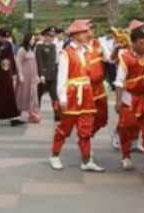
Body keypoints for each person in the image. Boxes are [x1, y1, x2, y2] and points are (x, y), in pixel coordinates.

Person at [50, 19, 104, 173]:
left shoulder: (86, 51)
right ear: (75, 35)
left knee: (86, 128)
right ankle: (54, 155)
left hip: (86, 93)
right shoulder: (66, 53)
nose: (87, 35)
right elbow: (62, 78)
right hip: (73, 93)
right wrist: (62, 98)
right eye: (84, 32)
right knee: (64, 128)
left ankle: (87, 160)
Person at [115, 28, 144, 172]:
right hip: (129, 98)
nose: (143, 46)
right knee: (126, 129)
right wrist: (118, 101)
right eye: (140, 43)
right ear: (132, 44)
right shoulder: (126, 58)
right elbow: (119, 81)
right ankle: (126, 157)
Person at [0, 28, 24, 127]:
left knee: (10, 96)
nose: (5, 39)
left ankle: (13, 117)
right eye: (3, 37)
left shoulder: (8, 45)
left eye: (6, 37)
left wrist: (14, 72)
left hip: (7, 74)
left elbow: (11, 58)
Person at [35, 27, 59, 120]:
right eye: (50, 36)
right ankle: (36, 113)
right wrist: (41, 74)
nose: (52, 37)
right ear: (45, 36)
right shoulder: (40, 47)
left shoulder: (53, 46)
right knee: (38, 95)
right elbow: (39, 61)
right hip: (43, 75)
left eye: (53, 36)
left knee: (54, 95)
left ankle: (57, 114)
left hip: (52, 74)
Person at [16, 32, 41, 123]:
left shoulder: (31, 50)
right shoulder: (21, 50)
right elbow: (18, 62)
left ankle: (32, 112)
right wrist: (20, 74)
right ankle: (17, 113)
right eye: (32, 39)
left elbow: (35, 64)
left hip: (32, 75)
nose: (34, 41)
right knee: (22, 93)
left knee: (33, 94)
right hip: (25, 75)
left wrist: (37, 75)